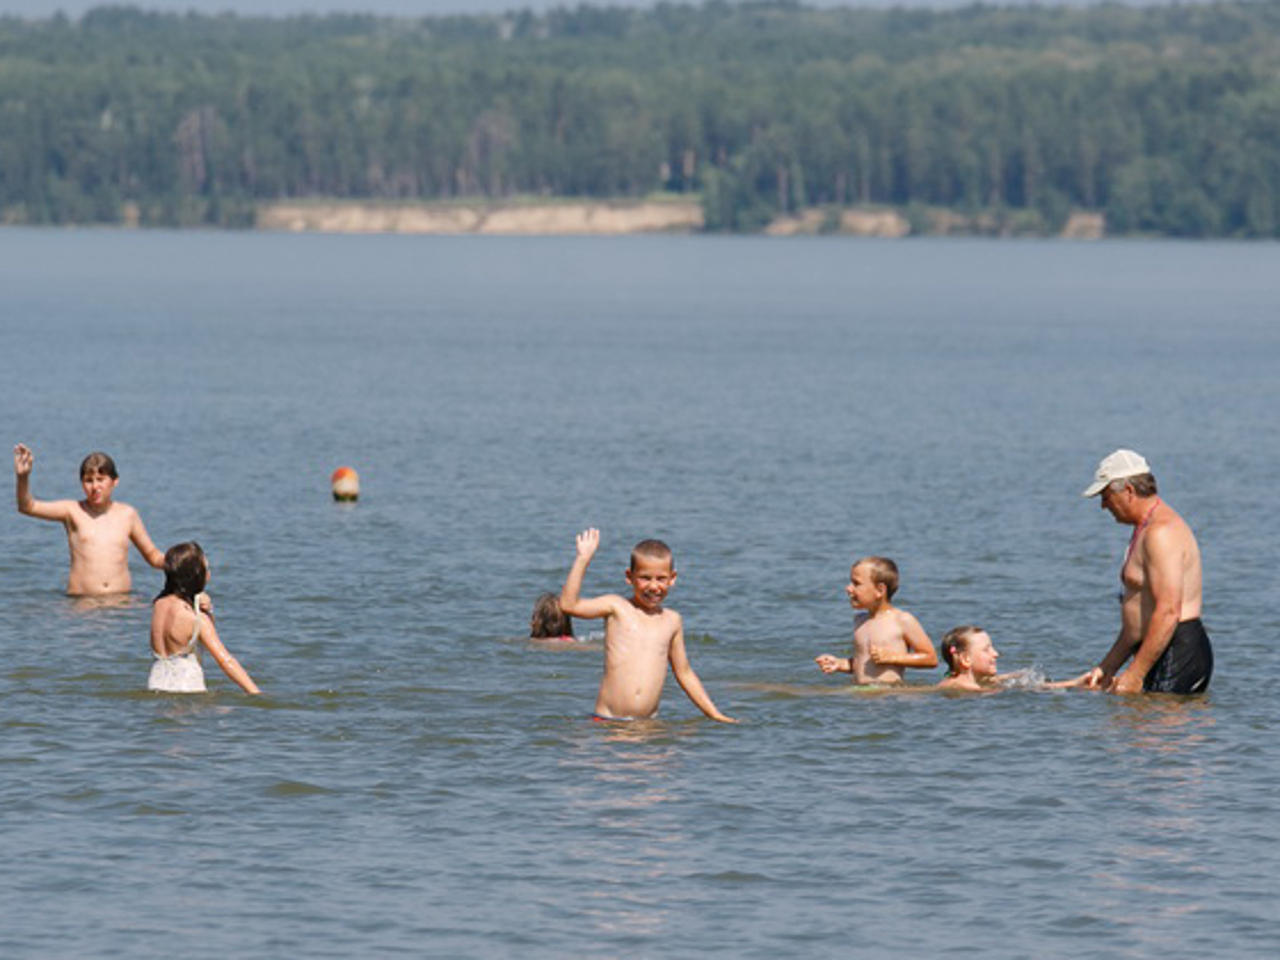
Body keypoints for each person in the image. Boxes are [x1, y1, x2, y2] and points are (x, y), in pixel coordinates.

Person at [558, 528, 735, 723]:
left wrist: (715, 715)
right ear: (629, 577)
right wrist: (583, 559)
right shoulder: (616, 607)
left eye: (661, 579)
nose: (653, 586)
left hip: (647, 727)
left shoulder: (672, 620)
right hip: (607, 723)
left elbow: (684, 673)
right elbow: (568, 605)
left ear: (672, 578)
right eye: (645, 578)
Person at [1077, 449, 1212, 694]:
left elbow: (1169, 611)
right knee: (1128, 716)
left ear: (1128, 491)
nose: (1103, 506)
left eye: (1105, 496)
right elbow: (1138, 618)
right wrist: (1107, 667)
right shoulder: (1144, 528)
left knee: (1152, 719)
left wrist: (1135, 673)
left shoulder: (1161, 533)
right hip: (1157, 647)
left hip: (1177, 651)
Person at [13, 444, 165, 596]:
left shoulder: (128, 514)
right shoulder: (72, 511)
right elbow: (27, 506)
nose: (95, 486)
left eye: (100, 479)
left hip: (121, 604)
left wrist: (174, 562)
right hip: (82, 604)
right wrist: (23, 477)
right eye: (89, 480)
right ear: (82, 484)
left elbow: (152, 555)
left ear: (115, 481)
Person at [149, 542, 261, 695]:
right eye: (206, 569)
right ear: (196, 575)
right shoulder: (196, 619)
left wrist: (206, 609)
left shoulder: (158, 605)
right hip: (187, 688)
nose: (209, 574)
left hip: (156, 684)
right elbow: (225, 661)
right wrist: (256, 694)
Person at [815, 556, 937, 684]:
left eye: (856, 583)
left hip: (888, 692)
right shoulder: (860, 620)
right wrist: (840, 664)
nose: (848, 588)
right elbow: (863, 662)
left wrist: (892, 658)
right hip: (860, 691)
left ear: (880, 590)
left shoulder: (902, 620)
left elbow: (930, 658)